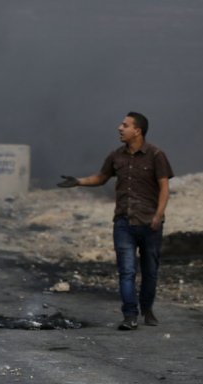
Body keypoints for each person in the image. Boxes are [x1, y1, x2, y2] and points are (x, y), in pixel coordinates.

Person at [58, 111, 173, 330]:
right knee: (126, 271)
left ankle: (146, 308)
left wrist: (159, 215)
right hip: (123, 223)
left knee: (150, 271)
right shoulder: (116, 156)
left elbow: (164, 187)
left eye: (125, 125)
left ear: (137, 130)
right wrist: (78, 181)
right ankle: (129, 315)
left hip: (150, 223)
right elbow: (101, 178)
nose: (119, 128)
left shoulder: (156, 155)